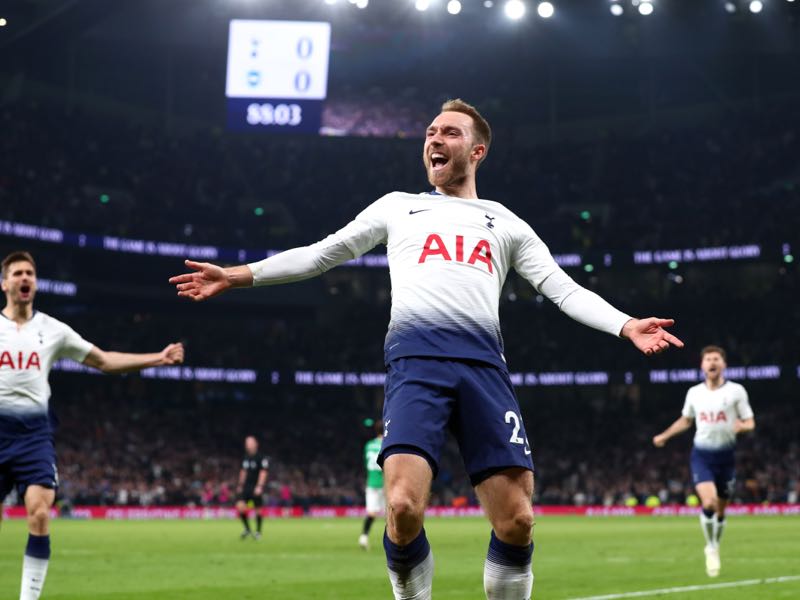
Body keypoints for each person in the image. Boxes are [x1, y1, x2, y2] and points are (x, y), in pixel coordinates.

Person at [169, 99, 683, 600]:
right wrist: (238, 276)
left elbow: (563, 289)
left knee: (519, 520)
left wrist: (625, 325)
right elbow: (322, 254)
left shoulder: (505, 223)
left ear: (477, 151)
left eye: (449, 133)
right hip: (416, 364)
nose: (435, 140)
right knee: (401, 507)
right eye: (430, 133)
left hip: (484, 369)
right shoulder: (398, 207)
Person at [0, 250, 184, 600]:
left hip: (33, 437)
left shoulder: (52, 330)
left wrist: (157, 358)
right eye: (18, 273)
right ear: (4, 283)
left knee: (39, 515)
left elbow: (103, 360)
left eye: (30, 273)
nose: (25, 278)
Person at [653, 345, 754, 577]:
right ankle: (710, 547)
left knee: (720, 512)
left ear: (723, 364)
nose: (712, 362)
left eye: (716, 358)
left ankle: (715, 544)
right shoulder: (694, 393)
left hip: (726, 458)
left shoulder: (737, 391)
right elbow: (686, 420)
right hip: (702, 456)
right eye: (708, 359)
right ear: (702, 365)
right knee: (708, 504)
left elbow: (750, 421)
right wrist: (664, 435)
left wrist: (742, 427)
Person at [235, 435, 269, 540]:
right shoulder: (245, 457)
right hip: (246, 487)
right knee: (240, 506)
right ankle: (247, 529)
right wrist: (240, 485)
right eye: (246, 442)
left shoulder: (261, 458)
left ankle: (258, 532)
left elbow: (263, 472)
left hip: (255, 487)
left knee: (258, 509)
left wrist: (259, 486)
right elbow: (243, 472)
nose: (247, 445)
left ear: (255, 444)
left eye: (249, 442)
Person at [359, 420, 385, 550]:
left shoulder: (369, 445)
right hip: (386, 484)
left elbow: (366, 463)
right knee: (392, 515)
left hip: (371, 482)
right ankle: (395, 542)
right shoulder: (387, 445)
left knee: (371, 513)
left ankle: (364, 537)